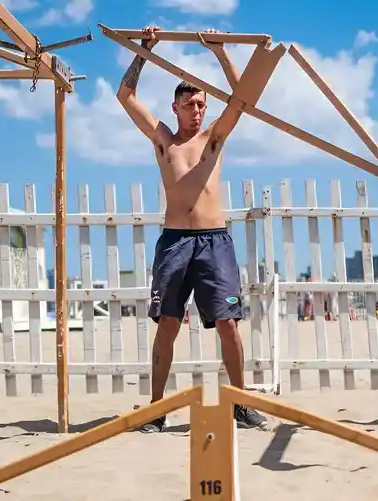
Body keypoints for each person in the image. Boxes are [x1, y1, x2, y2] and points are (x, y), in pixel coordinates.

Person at [116, 25, 267, 433]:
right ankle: (156, 409)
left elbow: (244, 100)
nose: (197, 112)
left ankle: (240, 402)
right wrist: (145, 49)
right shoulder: (163, 140)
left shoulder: (213, 139)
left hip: (215, 242)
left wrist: (219, 51)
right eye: (189, 105)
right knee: (167, 323)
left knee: (228, 323)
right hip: (175, 243)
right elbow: (125, 96)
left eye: (201, 104)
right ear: (176, 107)